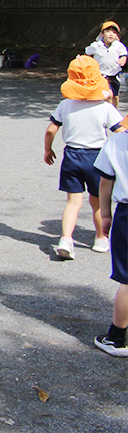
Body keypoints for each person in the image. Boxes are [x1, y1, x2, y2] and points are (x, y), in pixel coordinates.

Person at [45, 56, 124, 259]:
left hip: (71, 155)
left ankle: (65, 239)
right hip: (97, 157)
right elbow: (120, 130)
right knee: (97, 202)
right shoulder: (105, 108)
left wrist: (48, 150)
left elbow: (51, 130)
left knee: (73, 202)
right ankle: (100, 238)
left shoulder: (65, 105)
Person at [92, 128, 128, 356]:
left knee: (127, 280)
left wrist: (105, 215)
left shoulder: (117, 142)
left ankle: (117, 338)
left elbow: (105, 182)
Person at [86, 21, 127, 109]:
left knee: (115, 96)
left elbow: (123, 54)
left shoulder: (118, 45)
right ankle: (107, 112)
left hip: (114, 75)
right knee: (108, 95)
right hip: (100, 75)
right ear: (102, 34)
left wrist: (123, 59)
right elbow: (87, 53)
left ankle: (114, 111)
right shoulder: (96, 45)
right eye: (108, 31)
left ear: (117, 36)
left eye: (114, 32)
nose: (111, 34)